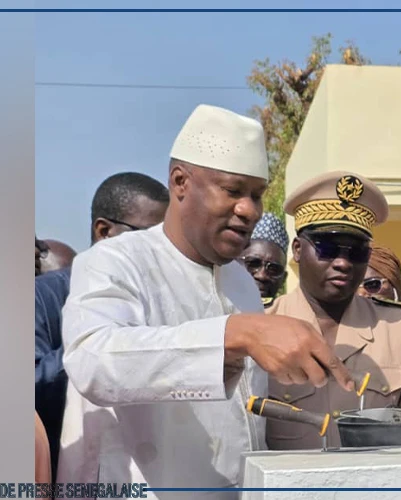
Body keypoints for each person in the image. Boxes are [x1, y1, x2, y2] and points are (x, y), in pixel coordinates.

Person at [56, 104, 354, 498]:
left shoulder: (242, 284)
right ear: (180, 182)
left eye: (257, 195)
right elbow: (92, 361)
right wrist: (234, 334)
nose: (248, 210)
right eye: (232, 191)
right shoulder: (114, 260)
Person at [265, 171, 401, 450]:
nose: (343, 263)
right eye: (327, 247)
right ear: (297, 250)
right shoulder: (263, 326)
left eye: (356, 251)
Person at [35, 171, 169, 482]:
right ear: (104, 231)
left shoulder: (158, 298)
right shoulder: (43, 297)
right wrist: (95, 347)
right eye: (149, 237)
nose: (161, 251)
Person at [239, 212, 289, 307]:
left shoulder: (291, 319)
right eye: (253, 263)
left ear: (283, 279)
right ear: (235, 263)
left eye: (274, 269)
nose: (262, 276)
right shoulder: (214, 311)